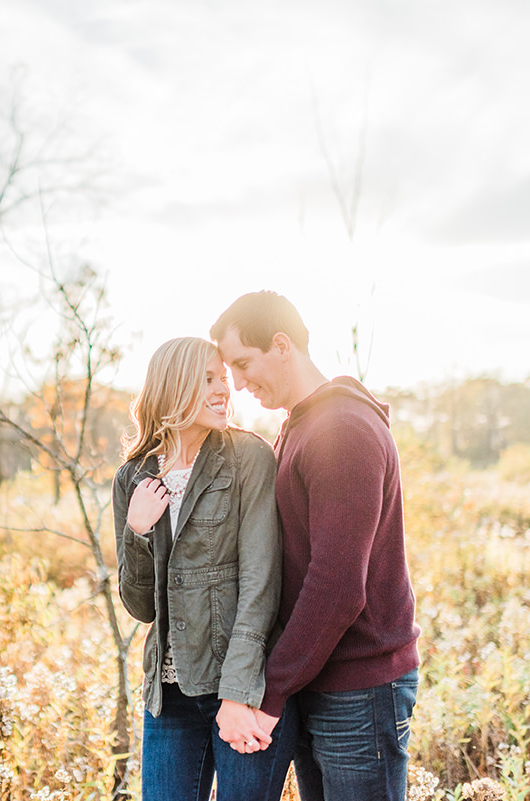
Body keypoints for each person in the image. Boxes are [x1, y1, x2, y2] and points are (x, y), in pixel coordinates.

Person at [210, 291, 422, 801]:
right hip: (322, 680)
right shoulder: (302, 425)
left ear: (281, 345)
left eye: (243, 363)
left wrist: (272, 691)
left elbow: (338, 584)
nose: (237, 382)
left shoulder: (341, 430)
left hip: (360, 687)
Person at [112, 336, 293, 801]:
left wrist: (238, 693)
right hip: (167, 696)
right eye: (208, 379)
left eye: (224, 379)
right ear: (174, 386)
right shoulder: (133, 476)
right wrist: (137, 530)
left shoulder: (248, 458)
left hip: (241, 685)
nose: (223, 390)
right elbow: (140, 606)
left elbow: (261, 584)